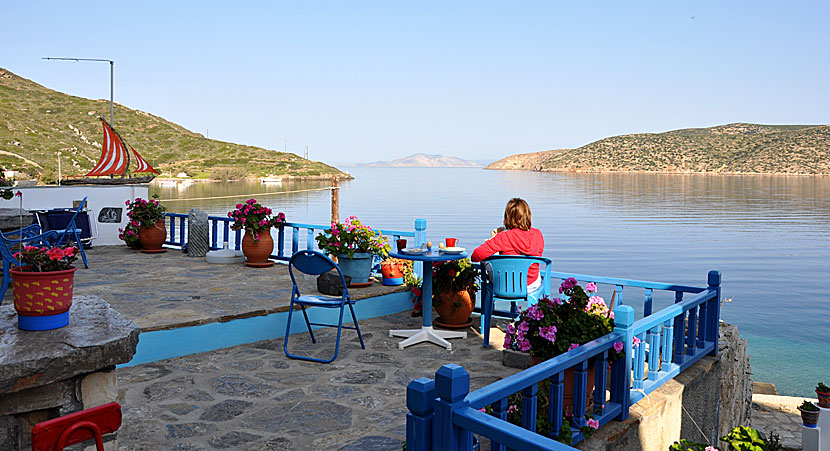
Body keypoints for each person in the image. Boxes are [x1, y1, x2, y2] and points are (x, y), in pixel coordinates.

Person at [471, 198, 546, 302]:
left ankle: (487, 312)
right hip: (531, 286)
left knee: (489, 262)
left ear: (508, 218)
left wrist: (493, 239)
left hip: (504, 286)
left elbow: (475, 256)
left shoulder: (503, 237)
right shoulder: (538, 234)